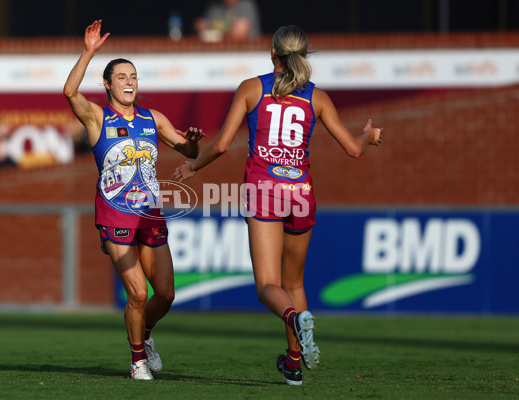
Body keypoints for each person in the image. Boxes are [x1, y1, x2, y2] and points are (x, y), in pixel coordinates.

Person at [172, 25, 383, 385]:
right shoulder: (316, 97)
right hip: (300, 192)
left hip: (264, 190)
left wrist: (192, 165)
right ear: (303, 54)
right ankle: (294, 364)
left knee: (268, 285)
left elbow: (222, 145)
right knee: (294, 282)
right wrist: (368, 136)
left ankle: (292, 318)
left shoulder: (252, 88)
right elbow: (352, 149)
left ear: (273, 53)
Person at [64, 20, 204, 380]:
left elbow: (186, 147)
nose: (129, 82)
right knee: (138, 294)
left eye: (134, 77)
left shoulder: (151, 118)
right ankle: (137, 360)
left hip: (149, 215)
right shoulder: (98, 117)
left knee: (166, 295)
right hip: (114, 216)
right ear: (108, 83)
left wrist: (193, 141)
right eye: (122, 77)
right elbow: (69, 92)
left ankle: (146, 335)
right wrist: (89, 53)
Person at [195, 0, 261, 42]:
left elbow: (239, 33)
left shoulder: (246, 5)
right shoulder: (215, 7)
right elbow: (201, 27)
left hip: (247, 55)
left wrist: (214, 29)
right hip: (219, 54)